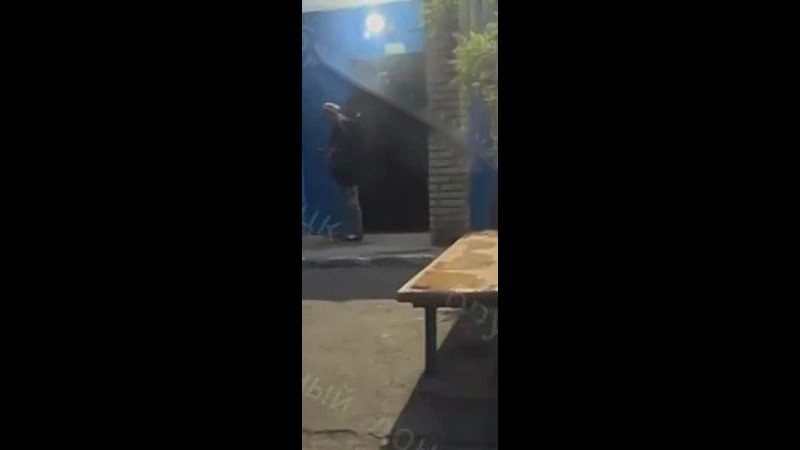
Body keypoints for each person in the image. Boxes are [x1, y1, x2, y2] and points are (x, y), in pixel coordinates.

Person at [323, 102, 363, 241]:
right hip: (345, 168)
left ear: (330, 113)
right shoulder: (340, 124)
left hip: (347, 169)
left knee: (350, 200)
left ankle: (355, 232)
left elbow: (347, 146)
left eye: (326, 114)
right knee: (346, 201)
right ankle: (350, 230)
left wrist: (334, 152)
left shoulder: (342, 125)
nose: (325, 118)